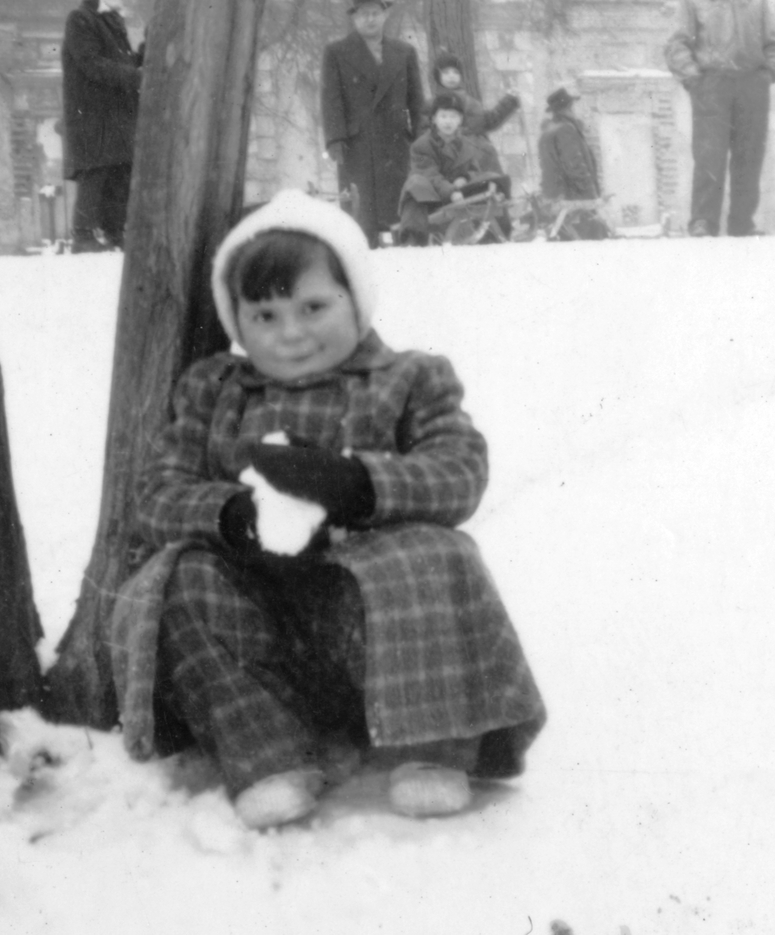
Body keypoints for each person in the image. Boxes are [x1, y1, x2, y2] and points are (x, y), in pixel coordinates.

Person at [107, 190, 546, 830]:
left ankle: (431, 750)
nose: (292, 333)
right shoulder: (215, 390)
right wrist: (236, 516)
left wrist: (357, 485)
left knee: (437, 552)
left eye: (314, 307)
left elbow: (460, 470)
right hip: (262, 626)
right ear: (238, 322)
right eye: (265, 314)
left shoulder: (411, 379)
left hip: (382, 638)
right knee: (177, 580)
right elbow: (157, 492)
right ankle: (269, 755)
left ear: (355, 299)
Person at [664, 0, 775, 237]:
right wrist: (695, 79)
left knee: (750, 156)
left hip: (752, 84)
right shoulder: (693, 0)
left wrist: (768, 73)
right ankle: (703, 220)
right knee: (710, 155)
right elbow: (677, 44)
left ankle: (742, 222)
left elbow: (773, 43)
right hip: (712, 85)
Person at [320, 0, 426, 247]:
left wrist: (421, 137)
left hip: (396, 144)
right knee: (360, 215)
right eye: (364, 14)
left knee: (399, 211)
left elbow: (417, 101)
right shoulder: (336, 52)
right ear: (354, 18)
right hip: (357, 146)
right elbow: (331, 100)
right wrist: (335, 140)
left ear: (385, 15)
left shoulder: (404, 52)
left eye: (375, 13)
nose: (370, 19)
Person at [61, 0, 144, 252]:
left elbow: (126, 65)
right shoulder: (80, 20)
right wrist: (135, 76)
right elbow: (91, 64)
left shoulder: (113, 22)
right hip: (92, 114)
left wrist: (146, 49)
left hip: (117, 113)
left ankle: (115, 234)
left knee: (119, 172)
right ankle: (83, 237)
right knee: (94, 173)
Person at [397, 92, 505, 245]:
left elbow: (473, 169)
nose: (448, 122)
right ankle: (413, 240)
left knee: (489, 176)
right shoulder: (422, 145)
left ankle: (492, 227)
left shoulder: (466, 145)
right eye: (444, 116)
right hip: (429, 200)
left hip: (458, 197)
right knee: (416, 183)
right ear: (434, 119)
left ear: (460, 120)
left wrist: (465, 178)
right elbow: (429, 174)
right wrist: (451, 192)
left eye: (453, 117)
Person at [429, 51, 520, 176]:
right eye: (446, 72)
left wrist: (509, 101)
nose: (451, 76)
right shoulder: (432, 104)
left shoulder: (471, 102)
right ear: (437, 76)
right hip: (451, 158)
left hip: (482, 157)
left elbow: (488, 121)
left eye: (455, 72)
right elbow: (426, 131)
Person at [537, 86, 609, 240]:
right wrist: (592, 196)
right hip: (573, 199)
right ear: (567, 108)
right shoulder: (566, 130)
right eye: (572, 106)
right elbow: (575, 166)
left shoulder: (549, 131)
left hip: (557, 197)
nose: (575, 109)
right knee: (592, 240)